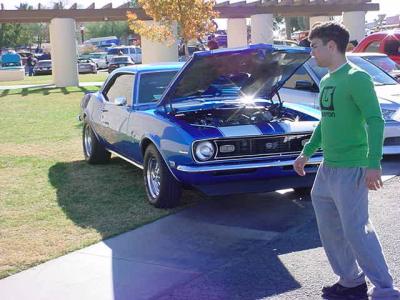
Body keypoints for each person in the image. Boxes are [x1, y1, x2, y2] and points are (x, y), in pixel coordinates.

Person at [293, 22, 400, 300]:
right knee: (330, 228)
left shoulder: (357, 77)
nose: (311, 52)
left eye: (314, 46)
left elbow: (375, 121)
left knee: (357, 230)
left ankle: (386, 290)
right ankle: (350, 280)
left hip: (353, 165)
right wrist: (307, 152)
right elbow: (324, 122)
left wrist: (373, 162)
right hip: (328, 167)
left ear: (331, 45)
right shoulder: (327, 80)